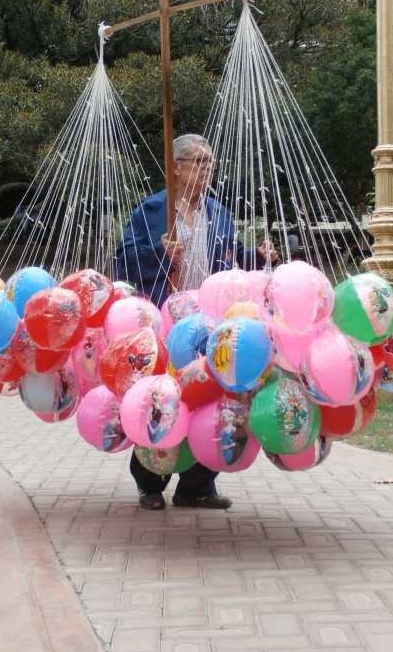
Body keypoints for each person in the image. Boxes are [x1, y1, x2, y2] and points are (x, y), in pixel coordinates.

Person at [115, 133, 277, 511]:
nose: (206, 170)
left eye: (210, 163)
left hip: (209, 322)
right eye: (198, 162)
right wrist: (160, 250)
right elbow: (123, 259)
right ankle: (151, 481)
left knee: (212, 398)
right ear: (176, 167)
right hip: (167, 319)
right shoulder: (152, 210)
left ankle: (197, 485)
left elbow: (230, 259)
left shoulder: (218, 212)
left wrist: (256, 255)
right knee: (164, 398)